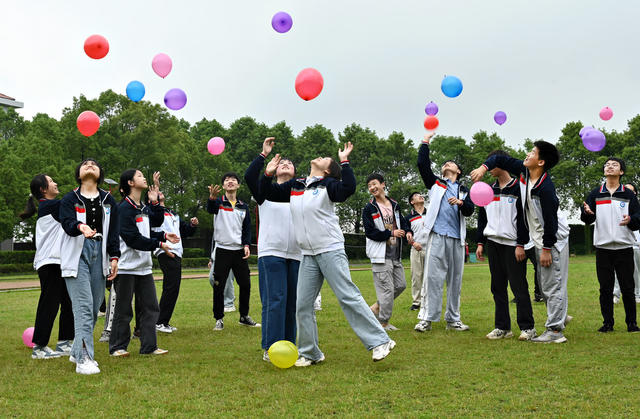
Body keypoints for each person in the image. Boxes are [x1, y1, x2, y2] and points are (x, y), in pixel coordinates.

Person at [248, 140, 395, 365]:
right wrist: (267, 174)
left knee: (347, 296)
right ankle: (310, 352)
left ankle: (380, 341)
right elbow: (268, 192)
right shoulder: (296, 186)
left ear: (327, 170)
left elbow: (348, 188)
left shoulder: (329, 186)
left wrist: (344, 161)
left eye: (325, 159)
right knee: (303, 305)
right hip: (307, 254)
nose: (319, 156)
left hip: (330, 249)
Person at [470, 140, 570, 343]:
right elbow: (499, 158)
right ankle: (556, 320)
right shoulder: (524, 174)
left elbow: (550, 223)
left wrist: (547, 249)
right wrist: (483, 167)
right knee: (547, 284)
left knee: (552, 285)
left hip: (552, 241)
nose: (527, 154)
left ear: (540, 162)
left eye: (532, 152)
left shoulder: (546, 189)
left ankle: (555, 331)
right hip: (537, 240)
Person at [59, 158, 120, 374]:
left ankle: (76, 351)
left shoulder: (108, 200)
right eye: (85, 164)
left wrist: (114, 257)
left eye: (94, 164)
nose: (90, 165)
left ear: (100, 173)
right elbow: (67, 223)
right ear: (79, 173)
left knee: (94, 310)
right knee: (83, 309)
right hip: (78, 255)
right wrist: (80, 226)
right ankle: (84, 359)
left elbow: (113, 232)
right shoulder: (69, 199)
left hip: (100, 254)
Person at [245, 137, 302, 361]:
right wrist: (263, 156)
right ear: (275, 169)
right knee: (275, 300)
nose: (286, 163)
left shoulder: (300, 192)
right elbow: (249, 177)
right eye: (282, 162)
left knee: (291, 304)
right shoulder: (264, 192)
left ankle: (289, 346)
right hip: (272, 253)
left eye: (290, 162)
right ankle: (271, 347)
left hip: (296, 254)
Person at [109, 169, 177, 357]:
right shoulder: (123, 208)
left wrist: (163, 234)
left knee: (150, 308)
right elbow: (132, 238)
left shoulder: (143, 208)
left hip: (144, 268)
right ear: (130, 183)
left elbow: (154, 223)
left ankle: (149, 347)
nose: (143, 178)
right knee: (124, 310)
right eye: (139, 176)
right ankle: (117, 347)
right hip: (126, 267)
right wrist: (159, 243)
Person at [414, 133, 475, 333]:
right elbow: (422, 164)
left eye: (451, 163)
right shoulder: (436, 184)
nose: (447, 164)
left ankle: (453, 320)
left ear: (458, 171)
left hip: (457, 240)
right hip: (438, 236)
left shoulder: (465, 191)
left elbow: (469, 210)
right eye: (445, 163)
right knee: (432, 279)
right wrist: (425, 141)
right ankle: (426, 319)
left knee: (455, 280)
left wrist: (460, 203)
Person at [475, 150, 536, 341]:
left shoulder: (519, 188)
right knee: (497, 287)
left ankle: (528, 327)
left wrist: (520, 244)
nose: (489, 169)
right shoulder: (488, 190)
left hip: (513, 245)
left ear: (500, 164)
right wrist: (480, 242)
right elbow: (482, 218)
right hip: (493, 244)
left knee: (519, 287)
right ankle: (502, 327)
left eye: (491, 165)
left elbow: (523, 221)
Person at [580, 158, 640, 332]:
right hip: (603, 248)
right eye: (607, 165)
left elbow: (638, 218)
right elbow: (586, 218)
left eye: (614, 165)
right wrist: (587, 213)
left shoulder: (628, 195)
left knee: (628, 288)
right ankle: (607, 323)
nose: (609, 167)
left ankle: (632, 323)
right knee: (605, 288)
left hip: (624, 247)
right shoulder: (595, 193)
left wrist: (631, 219)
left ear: (621, 172)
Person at [20, 175, 73, 359]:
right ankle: (40, 347)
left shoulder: (51, 206)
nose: (56, 183)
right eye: (51, 182)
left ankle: (64, 343)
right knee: (49, 304)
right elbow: (72, 201)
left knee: (68, 302)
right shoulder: (50, 205)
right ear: (43, 189)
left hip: (58, 262)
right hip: (50, 263)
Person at [207, 173, 260, 330]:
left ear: (238, 185)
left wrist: (246, 245)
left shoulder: (243, 206)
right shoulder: (218, 202)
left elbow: (246, 229)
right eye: (226, 181)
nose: (230, 182)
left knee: (245, 284)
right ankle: (219, 318)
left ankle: (244, 316)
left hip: (239, 251)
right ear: (223, 186)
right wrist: (211, 198)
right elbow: (210, 209)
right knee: (218, 285)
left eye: (233, 180)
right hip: (222, 250)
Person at [362, 173, 410, 331]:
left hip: (395, 253)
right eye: (369, 186)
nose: (372, 188)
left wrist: (408, 231)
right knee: (387, 290)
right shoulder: (369, 208)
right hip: (380, 255)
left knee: (401, 285)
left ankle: (376, 307)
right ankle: (383, 323)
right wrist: (390, 234)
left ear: (383, 184)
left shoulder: (394, 204)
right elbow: (370, 232)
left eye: (374, 184)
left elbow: (402, 222)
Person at [154, 189, 199, 333]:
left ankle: (164, 321)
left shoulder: (172, 213)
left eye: (161, 191)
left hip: (177, 251)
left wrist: (192, 225)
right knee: (170, 287)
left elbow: (184, 231)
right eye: (157, 191)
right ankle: (159, 322)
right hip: (166, 250)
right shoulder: (153, 211)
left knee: (173, 287)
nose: (160, 192)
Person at [612, 184, 640, 304]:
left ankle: (637, 294)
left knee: (636, 272)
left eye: (631, 190)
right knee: (617, 272)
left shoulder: (637, 208)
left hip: (636, 245)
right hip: (620, 244)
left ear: (635, 194)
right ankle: (616, 295)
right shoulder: (617, 205)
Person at [406, 192, 427, 311]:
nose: (420, 196)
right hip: (416, 250)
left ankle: (428, 301)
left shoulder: (431, 213)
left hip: (431, 249)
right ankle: (416, 302)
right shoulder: (408, 217)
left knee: (430, 277)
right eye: (416, 195)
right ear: (412, 202)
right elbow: (406, 232)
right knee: (416, 276)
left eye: (421, 194)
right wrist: (413, 243)